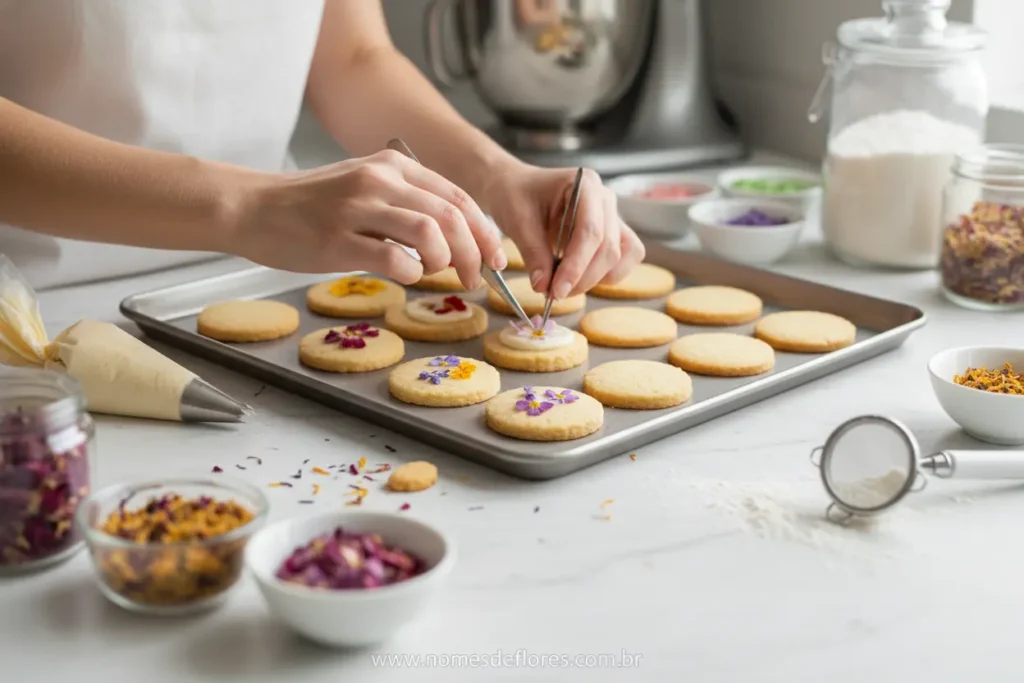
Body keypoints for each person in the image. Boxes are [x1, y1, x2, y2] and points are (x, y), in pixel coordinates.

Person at [0, 0, 643, 295]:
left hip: (251, 287)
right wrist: (250, 206)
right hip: (29, 306)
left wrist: (499, 175)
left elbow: (352, 57)